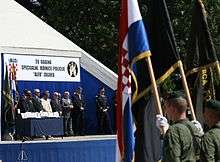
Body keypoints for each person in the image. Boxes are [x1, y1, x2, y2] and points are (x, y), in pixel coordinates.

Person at [156, 91, 203, 162]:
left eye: (166, 107)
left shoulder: (173, 131)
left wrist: (167, 134)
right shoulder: (194, 127)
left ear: (173, 109)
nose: (165, 111)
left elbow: (172, 158)